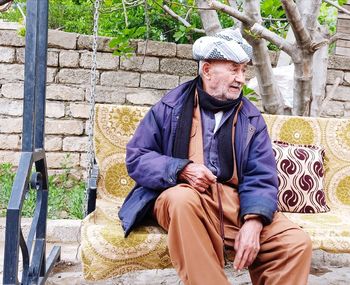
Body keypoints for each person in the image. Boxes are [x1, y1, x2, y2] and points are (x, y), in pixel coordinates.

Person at [119, 28, 312, 285]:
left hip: (233, 204)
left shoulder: (251, 118)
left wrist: (254, 221)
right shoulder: (170, 107)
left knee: (295, 243)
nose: (241, 78)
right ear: (207, 70)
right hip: (181, 198)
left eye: (243, 70)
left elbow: (261, 175)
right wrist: (181, 169)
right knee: (181, 198)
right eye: (234, 69)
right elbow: (137, 157)